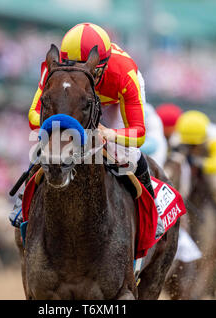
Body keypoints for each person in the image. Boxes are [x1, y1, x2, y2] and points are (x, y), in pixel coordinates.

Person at [12, 23, 165, 237]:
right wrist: (63, 128)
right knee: (50, 144)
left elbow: (138, 134)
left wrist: (107, 133)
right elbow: (34, 117)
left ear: (100, 66)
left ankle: (152, 211)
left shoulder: (125, 74)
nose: (78, 77)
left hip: (113, 99)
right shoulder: (55, 69)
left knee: (127, 154)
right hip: (80, 102)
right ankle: (24, 204)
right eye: (71, 68)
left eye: (88, 71)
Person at [174, 110, 216, 237]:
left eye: (194, 143)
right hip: (195, 165)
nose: (192, 145)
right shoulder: (179, 135)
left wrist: (198, 162)